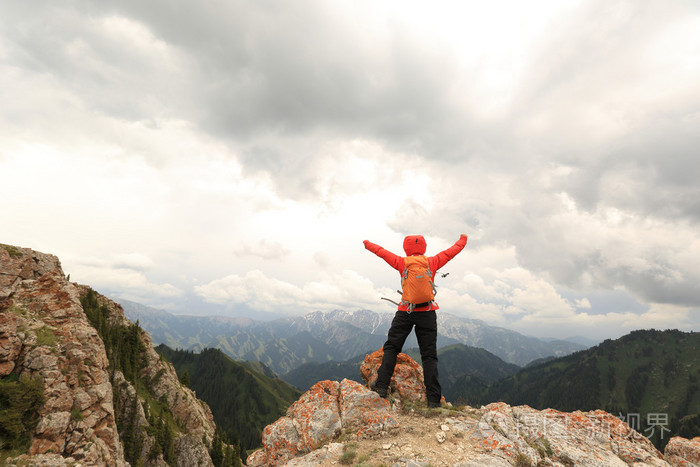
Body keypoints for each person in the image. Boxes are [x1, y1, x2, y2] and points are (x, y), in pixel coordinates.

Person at [363, 234, 468, 408]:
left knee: (391, 348)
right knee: (429, 356)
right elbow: (451, 252)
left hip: (406, 311)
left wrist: (367, 243)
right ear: (424, 247)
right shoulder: (433, 262)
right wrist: (463, 239)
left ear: (406, 248)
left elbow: (381, 252)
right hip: (427, 312)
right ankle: (434, 400)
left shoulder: (401, 262)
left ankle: (381, 386)